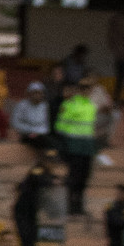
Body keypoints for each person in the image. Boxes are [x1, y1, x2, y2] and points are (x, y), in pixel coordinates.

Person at [54, 75, 99, 216]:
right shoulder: (70, 104)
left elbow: (91, 127)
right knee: (74, 177)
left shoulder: (91, 105)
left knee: (85, 177)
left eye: (89, 88)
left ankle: (78, 207)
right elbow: (60, 126)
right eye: (84, 88)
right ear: (79, 89)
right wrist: (66, 143)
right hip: (73, 145)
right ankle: (68, 206)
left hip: (87, 146)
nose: (87, 91)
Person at [10, 79, 50, 149]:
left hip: (41, 135)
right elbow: (15, 122)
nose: (37, 95)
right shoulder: (22, 105)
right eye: (35, 93)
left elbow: (47, 124)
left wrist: (38, 132)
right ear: (29, 94)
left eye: (40, 93)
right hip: (25, 133)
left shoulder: (46, 106)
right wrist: (29, 130)